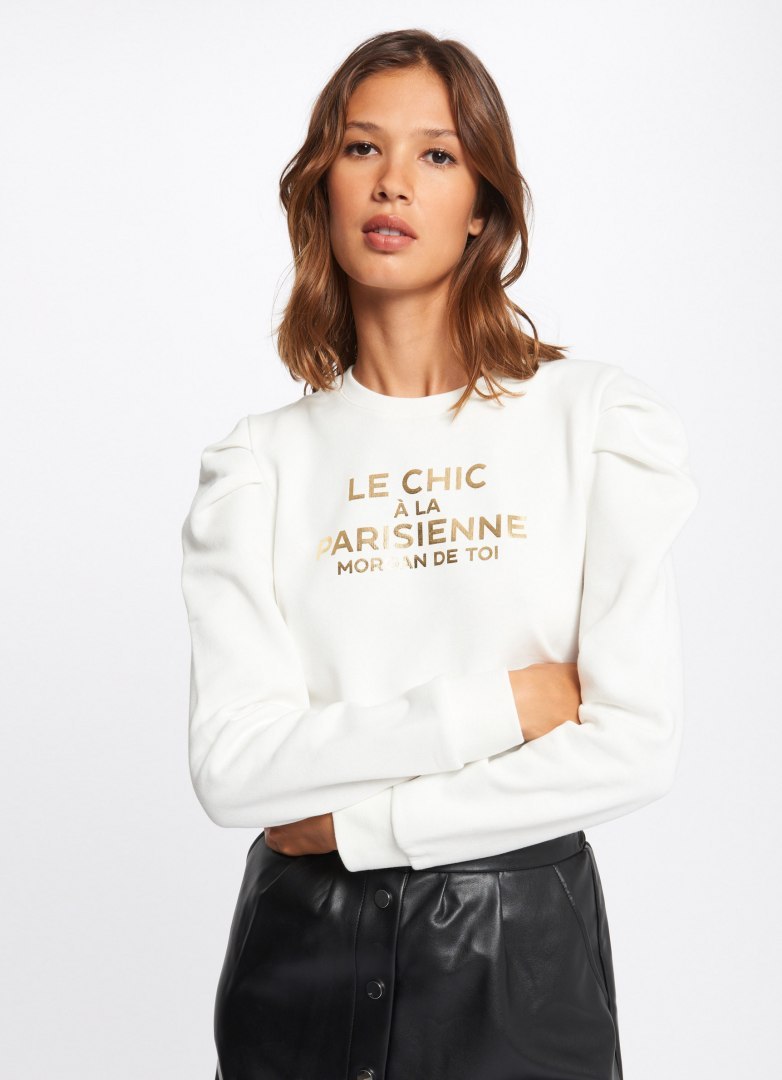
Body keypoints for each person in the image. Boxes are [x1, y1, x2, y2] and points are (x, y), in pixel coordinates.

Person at [180, 28, 699, 1080]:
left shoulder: (592, 421)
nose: (393, 183)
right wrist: (505, 706)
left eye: (436, 154)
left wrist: (360, 822)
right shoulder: (258, 466)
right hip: (299, 954)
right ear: (321, 186)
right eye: (361, 147)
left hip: (518, 958)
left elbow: (633, 743)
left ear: (481, 208)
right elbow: (235, 772)